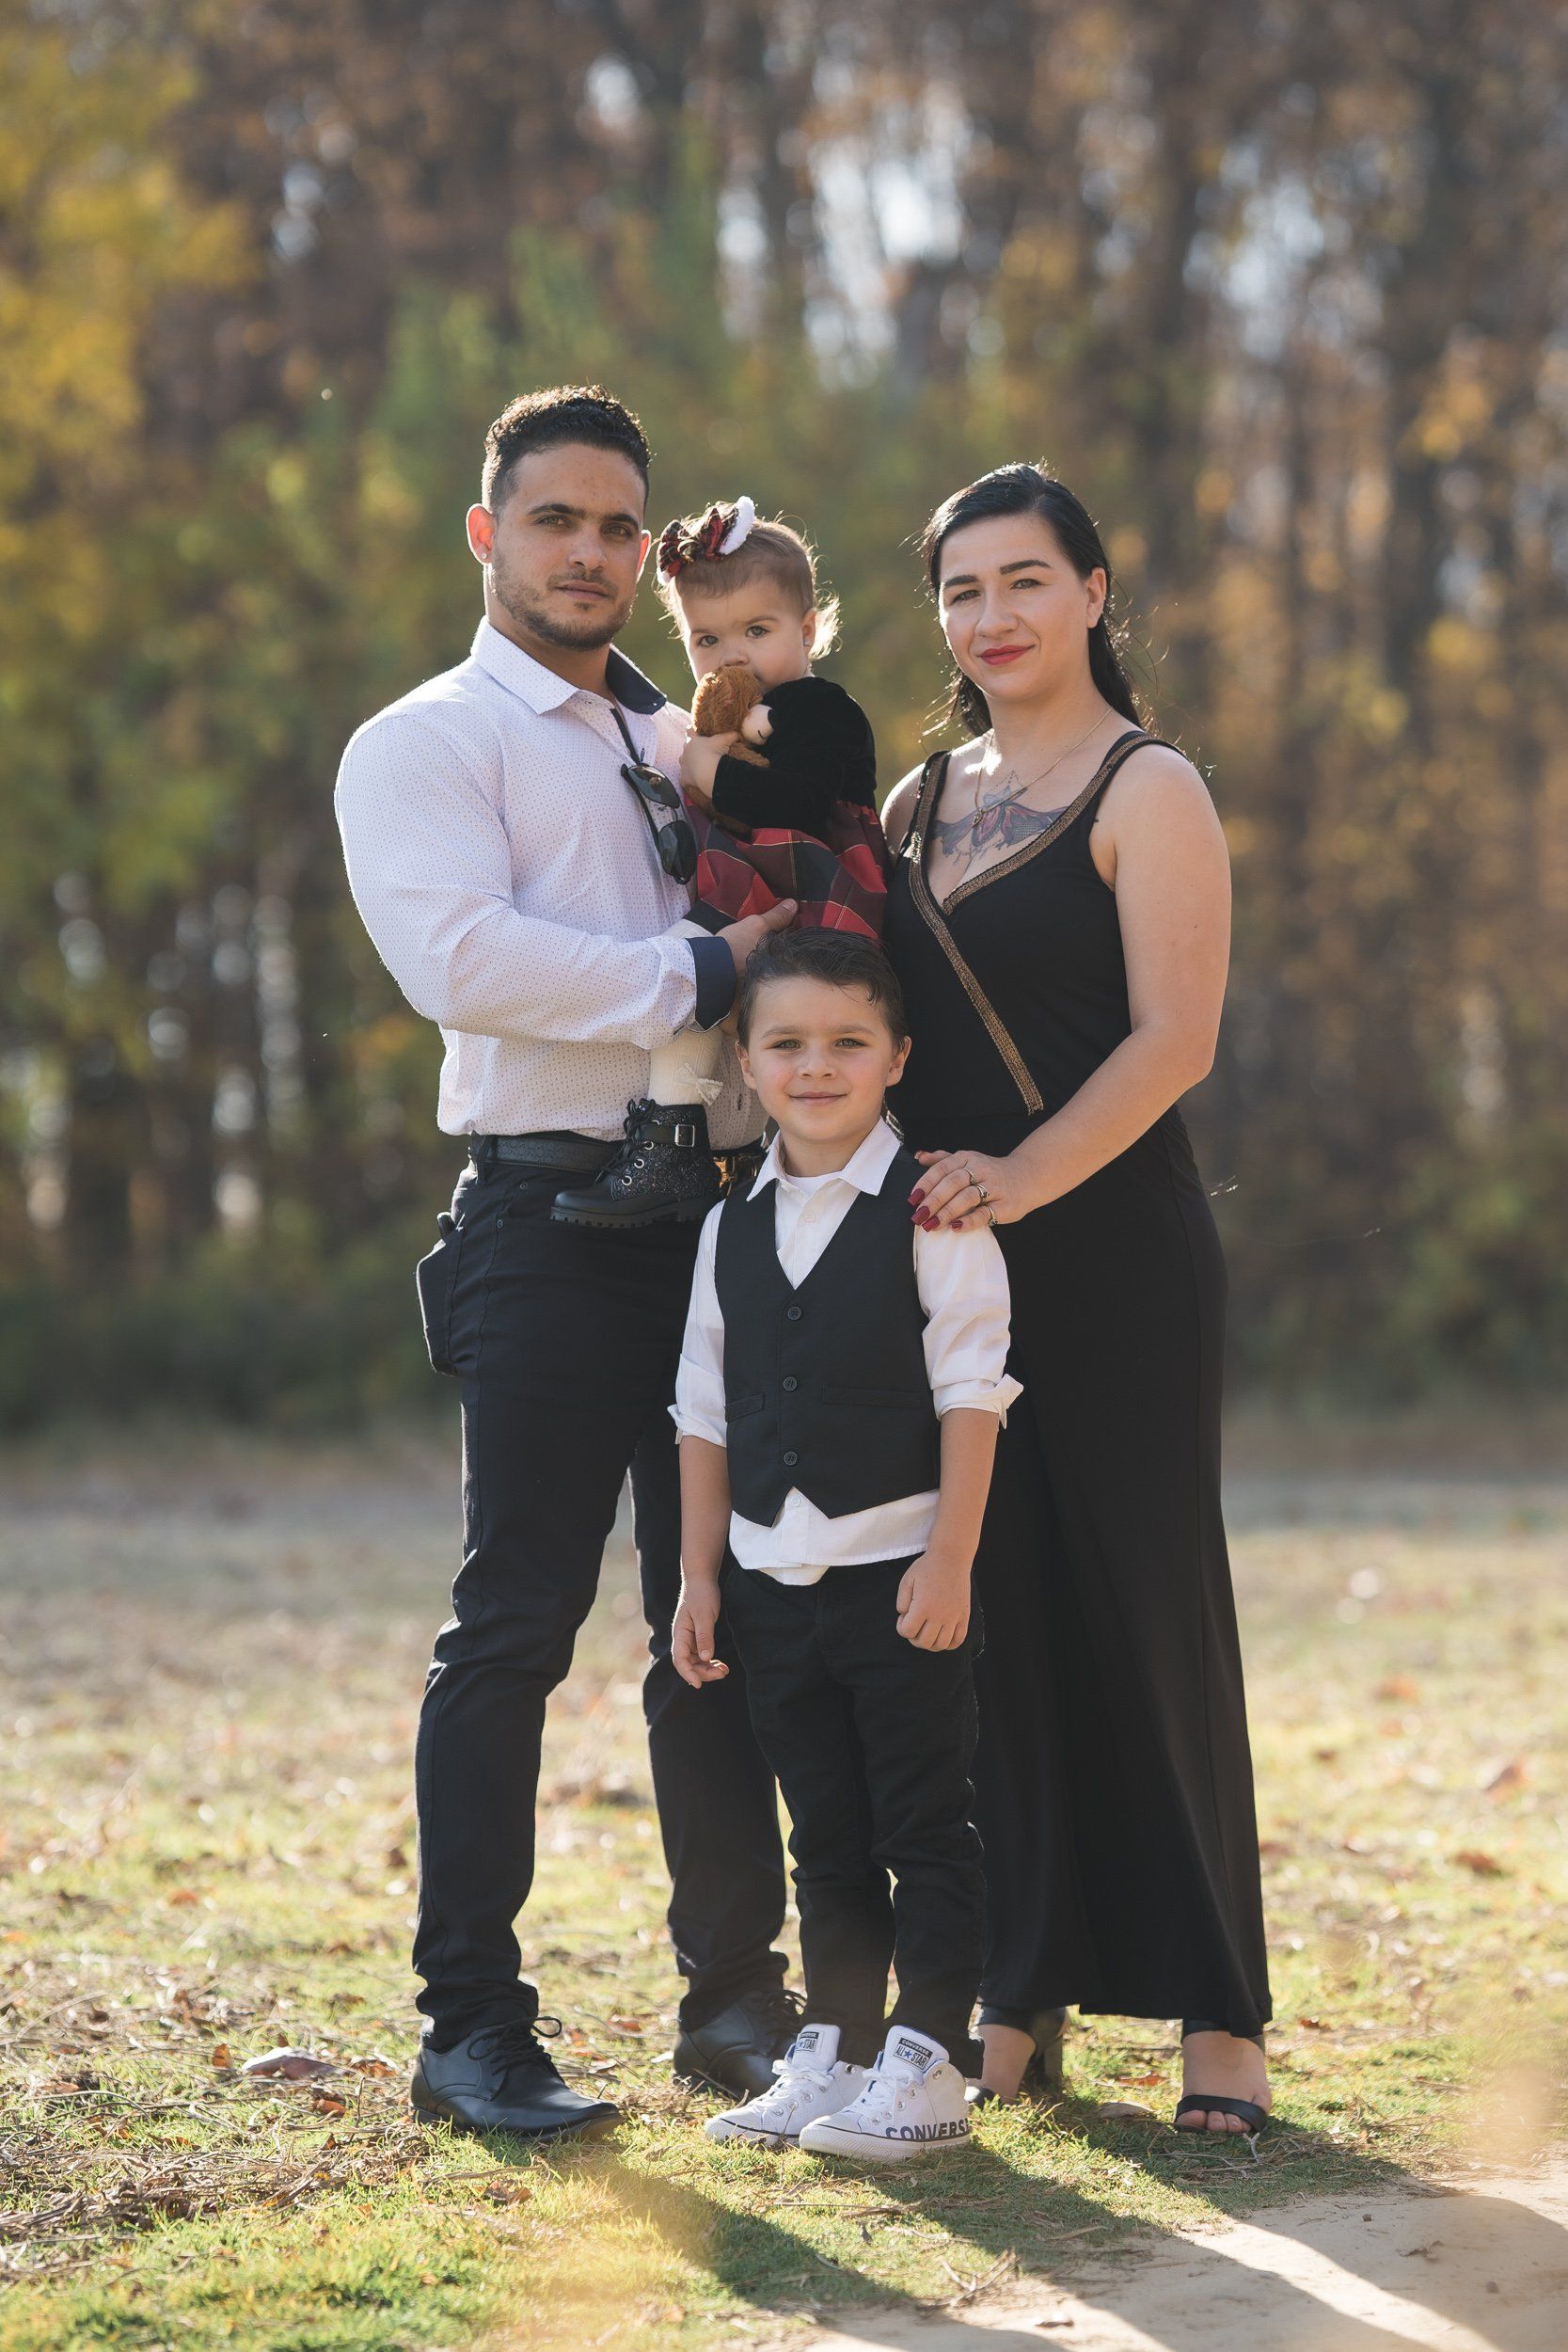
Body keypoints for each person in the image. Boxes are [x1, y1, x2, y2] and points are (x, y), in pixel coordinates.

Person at [334, 384, 801, 2145]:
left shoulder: (681, 734)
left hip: (720, 1224)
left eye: (620, 528)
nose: (590, 553)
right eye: (556, 522)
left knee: (721, 1625)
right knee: (512, 1626)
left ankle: (737, 2007)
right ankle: (473, 2030)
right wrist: (704, 968)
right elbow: (465, 960)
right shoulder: (426, 742)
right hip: (547, 1219)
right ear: (489, 535)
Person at [880, 463, 1273, 2138]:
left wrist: (1024, 1180)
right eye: (962, 591)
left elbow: (1172, 1040)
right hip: (949, 1261)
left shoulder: (1144, 783)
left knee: (1142, 1601)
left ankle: (1219, 2019)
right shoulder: (910, 803)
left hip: (1109, 1254)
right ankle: (1013, 1989)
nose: (992, 617)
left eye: (1024, 580)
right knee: (996, 1626)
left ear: (1095, 594)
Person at [671, 927, 1021, 2160]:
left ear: (894, 1057)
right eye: (786, 1044)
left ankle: (927, 2059)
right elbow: (702, 1413)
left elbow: (970, 1396)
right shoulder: (729, 1228)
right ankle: (837, 2047)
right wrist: (700, 1573)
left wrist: (950, 1560)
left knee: (920, 1821)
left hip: (898, 1574)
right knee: (820, 1829)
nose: (814, 1065)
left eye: (845, 1043)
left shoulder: (932, 1214)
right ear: (746, 1062)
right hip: (771, 1582)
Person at [551, 499, 888, 1231]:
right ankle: (677, 1141)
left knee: (810, 1027)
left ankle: (845, 1173)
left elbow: (800, 801)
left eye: (756, 631)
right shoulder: (711, 720)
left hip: (814, 878)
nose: (731, 655)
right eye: (707, 638)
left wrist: (709, 767)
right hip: (752, 879)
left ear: (806, 631)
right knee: (692, 983)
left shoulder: (819, 708)